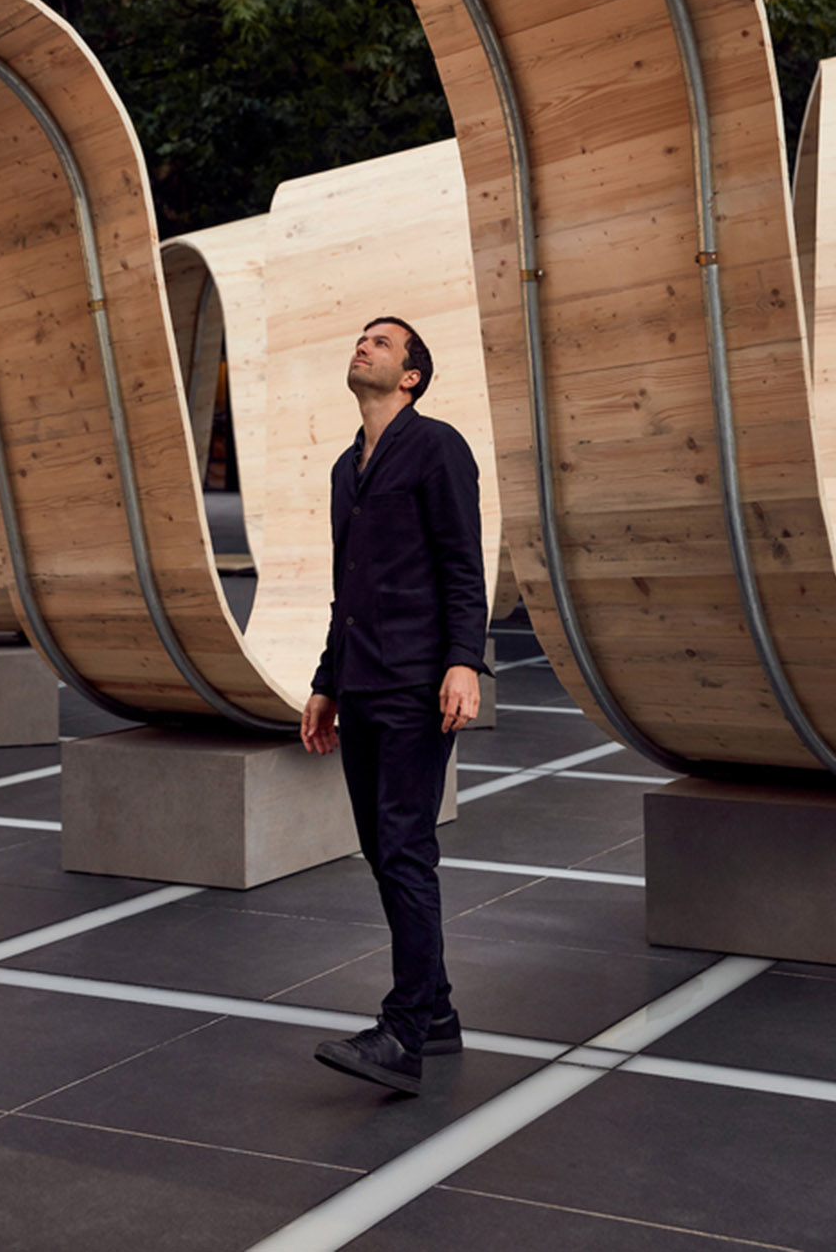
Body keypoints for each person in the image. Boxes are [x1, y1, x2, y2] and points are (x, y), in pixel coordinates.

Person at [301, 315, 489, 1096]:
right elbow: (351, 589)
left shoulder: (437, 446)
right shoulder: (349, 467)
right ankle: (438, 1010)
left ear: (411, 375)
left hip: (418, 683)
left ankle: (404, 1031)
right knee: (383, 849)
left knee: (406, 847)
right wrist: (325, 678)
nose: (364, 344)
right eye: (361, 338)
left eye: (382, 341)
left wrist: (464, 660)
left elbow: (462, 561)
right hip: (362, 681)